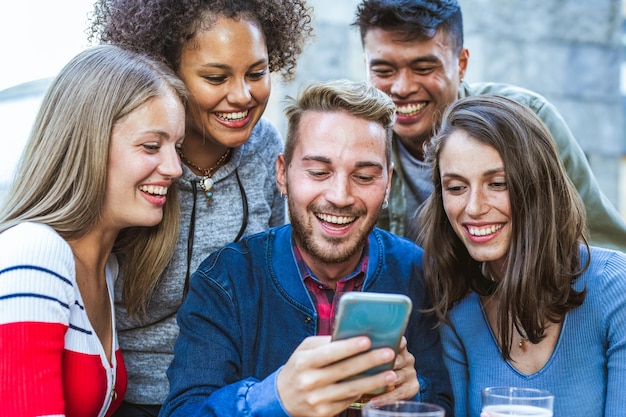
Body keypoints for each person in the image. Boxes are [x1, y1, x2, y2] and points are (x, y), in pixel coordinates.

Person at [159, 80, 453, 417]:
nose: (340, 196)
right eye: (318, 172)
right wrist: (275, 397)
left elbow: (443, 400)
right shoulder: (225, 281)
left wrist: (413, 390)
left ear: (387, 183)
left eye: (365, 176)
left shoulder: (416, 271)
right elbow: (183, 411)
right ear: (282, 174)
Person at [88, 1, 313, 413]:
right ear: (167, 71)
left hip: (235, 399)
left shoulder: (266, 149)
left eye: (257, 73)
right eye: (216, 77)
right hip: (133, 401)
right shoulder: (128, 160)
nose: (243, 95)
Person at [0, 44, 187, 417]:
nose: (175, 168)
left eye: (177, 147)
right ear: (89, 143)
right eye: (152, 145)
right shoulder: (34, 250)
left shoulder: (107, 268)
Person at [352, 0, 626, 251]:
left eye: (423, 68)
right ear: (366, 66)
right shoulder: (353, 138)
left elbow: (600, 243)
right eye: (383, 71)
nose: (402, 88)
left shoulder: (527, 121)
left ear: (461, 64)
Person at [417, 94, 626, 417]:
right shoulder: (457, 307)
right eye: (457, 188)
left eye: (497, 183)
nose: (473, 208)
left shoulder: (615, 288)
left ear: (538, 185)